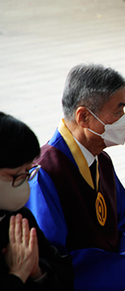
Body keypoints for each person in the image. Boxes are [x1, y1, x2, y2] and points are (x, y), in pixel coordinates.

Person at [25, 64, 125, 291]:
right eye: (118, 111)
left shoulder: (101, 160)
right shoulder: (45, 174)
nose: (124, 120)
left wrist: (123, 260)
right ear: (83, 117)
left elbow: (123, 219)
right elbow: (50, 257)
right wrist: (114, 270)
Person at [1, 112, 74, 290]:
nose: (24, 183)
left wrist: (38, 271)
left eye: (28, 172)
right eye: (14, 176)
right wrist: (17, 275)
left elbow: (64, 273)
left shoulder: (19, 218)